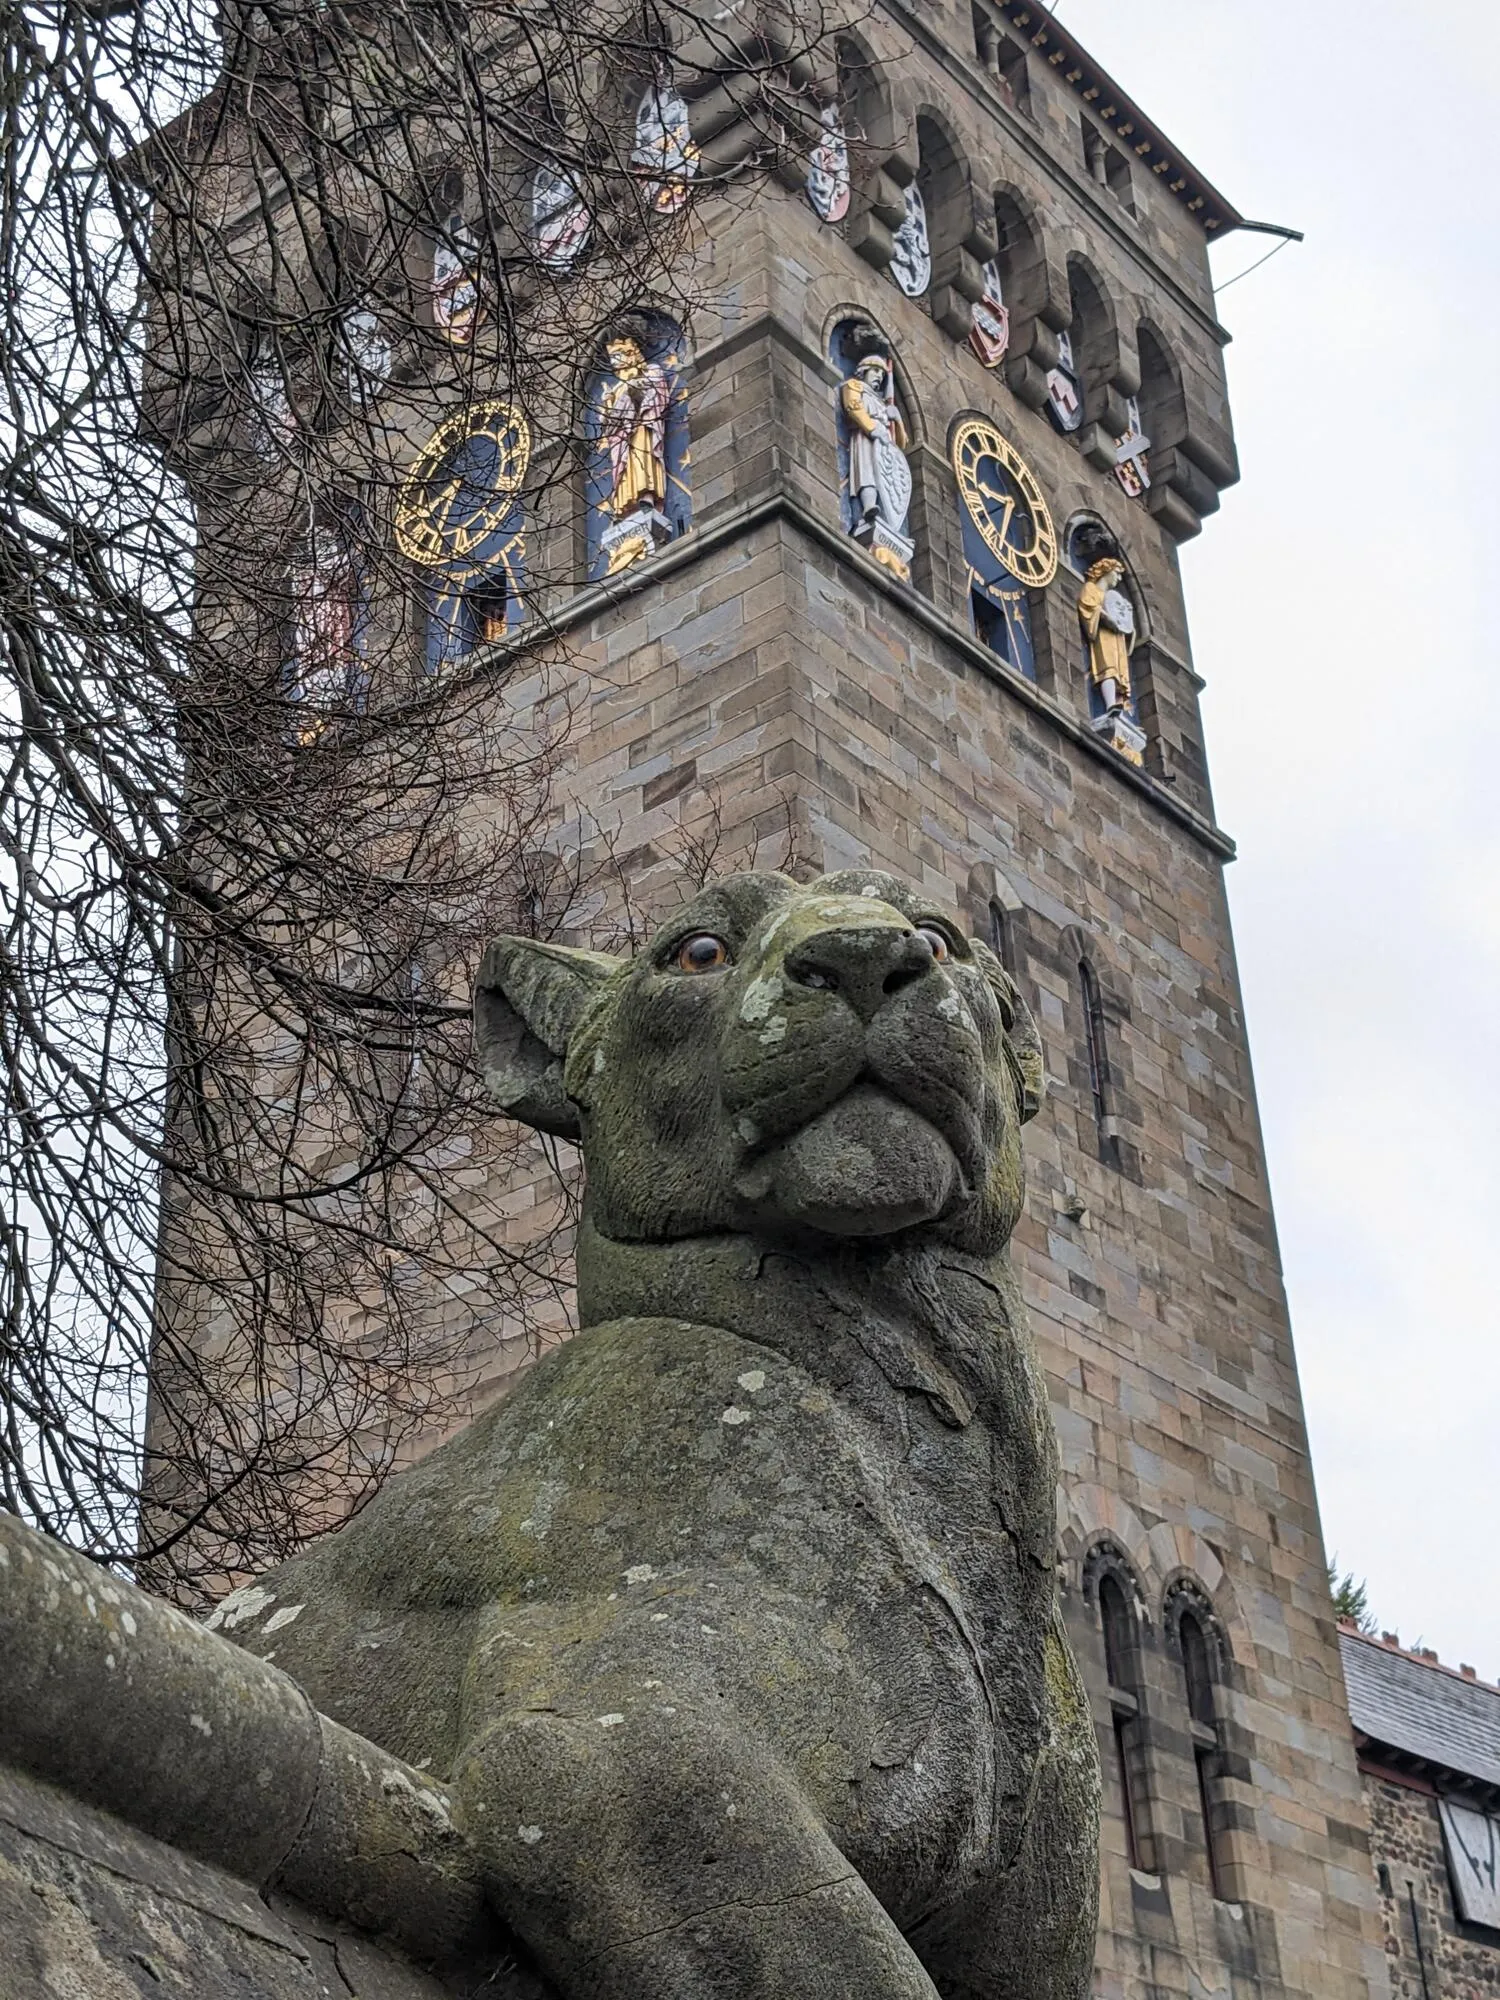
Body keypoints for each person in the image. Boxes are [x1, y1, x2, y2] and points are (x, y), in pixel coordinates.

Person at [598, 337, 671, 520]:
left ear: (629, 354)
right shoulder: (615, 389)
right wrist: (607, 404)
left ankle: (646, 495)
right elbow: (606, 423)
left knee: (641, 458)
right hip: (621, 437)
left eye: (617, 356)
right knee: (623, 468)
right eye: (612, 358)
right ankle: (625, 504)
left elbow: (655, 392)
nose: (614, 361)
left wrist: (635, 391)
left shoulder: (649, 371)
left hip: (640, 427)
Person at [838, 354, 910, 532]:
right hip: (865, 436)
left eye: (882, 374)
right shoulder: (854, 386)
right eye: (876, 370)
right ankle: (868, 506)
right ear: (863, 371)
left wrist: (898, 420)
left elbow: (902, 445)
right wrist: (871, 428)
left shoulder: (882, 403)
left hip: (885, 443)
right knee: (866, 472)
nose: (879, 376)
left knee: (887, 479)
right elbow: (853, 407)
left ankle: (887, 516)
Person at [1078, 555, 1135, 712]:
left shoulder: (1115, 599)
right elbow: (1089, 606)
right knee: (1107, 667)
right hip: (1103, 635)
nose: (1119, 578)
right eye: (1116, 573)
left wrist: (1127, 618)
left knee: (1119, 672)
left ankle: (1119, 706)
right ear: (1106, 571)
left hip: (1117, 639)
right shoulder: (1091, 588)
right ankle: (1110, 704)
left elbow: (1127, 627)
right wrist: (1107, 618)